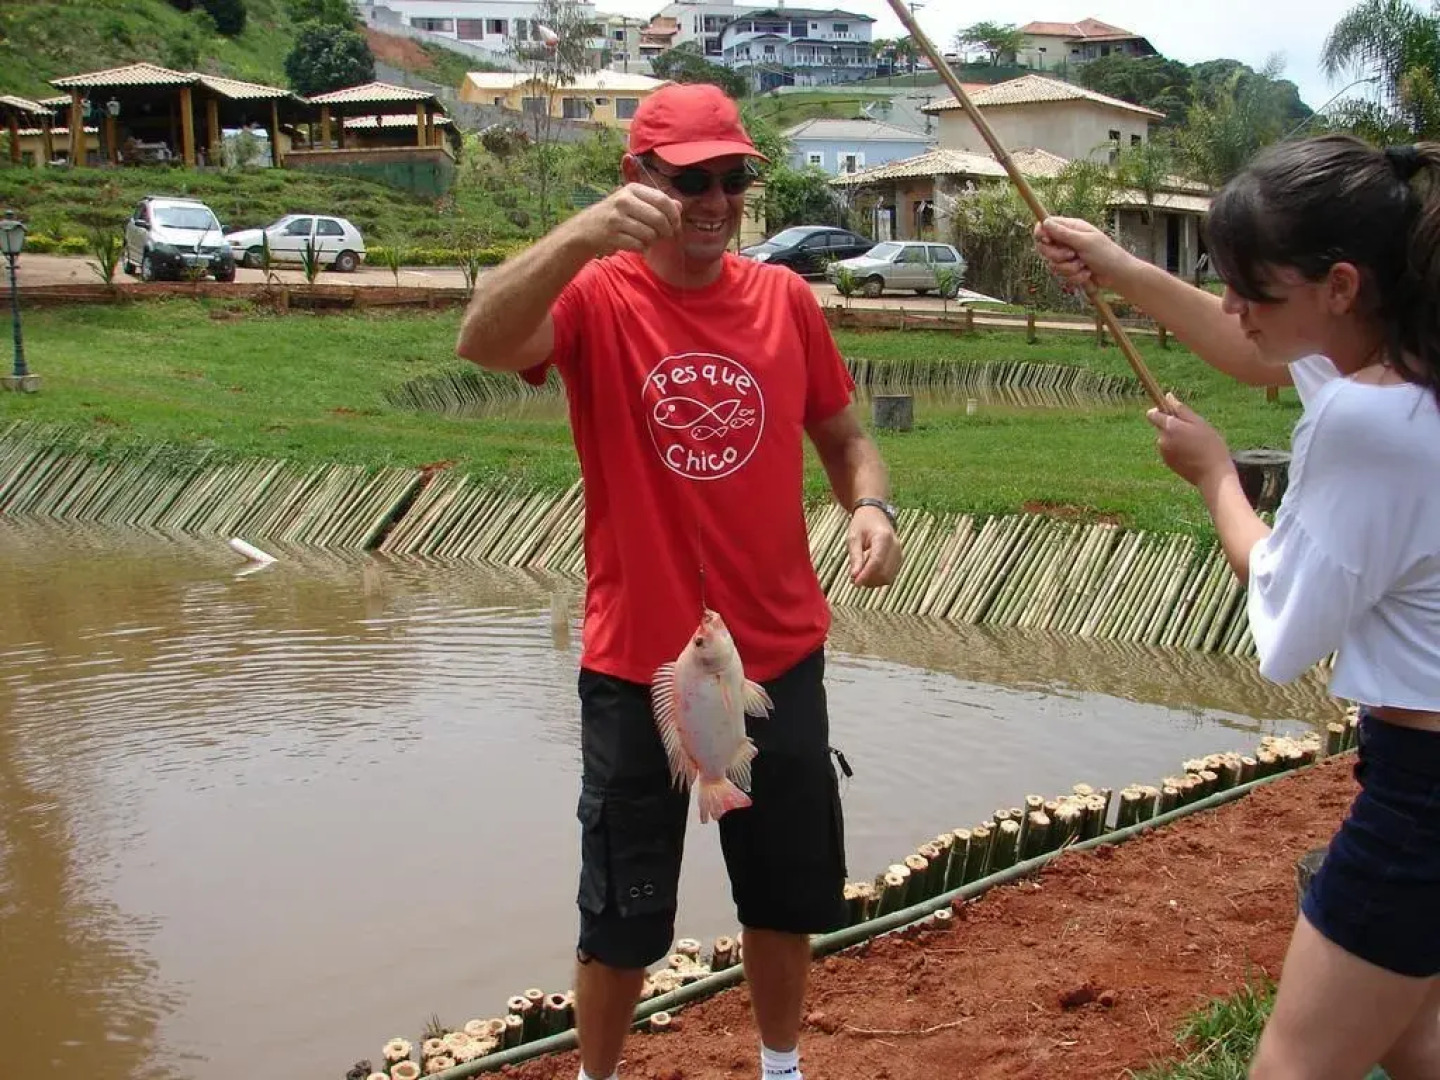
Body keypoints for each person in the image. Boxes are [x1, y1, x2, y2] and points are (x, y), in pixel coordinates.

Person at [455, 82, 902, 1080]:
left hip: (779, 658)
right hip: (637, 668)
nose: (715, 199)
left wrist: (871, 505)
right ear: (638, 180)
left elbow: (845, 437)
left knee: (784, 898)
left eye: (733, 176)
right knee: (620, 918)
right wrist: (583, 235)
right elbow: (483, 338)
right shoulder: (594, 298)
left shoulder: (785, 302)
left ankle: (781, 1067)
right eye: (689, 178)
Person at [1035, 133, 1440, 1078]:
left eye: (1251, 287)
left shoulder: (1369, 419)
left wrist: (1217, 476)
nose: (1231, 309)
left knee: (1293, 1066)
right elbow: (1265, 350)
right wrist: (1122, 267)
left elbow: (1282, 628)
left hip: (1423, 792)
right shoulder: (1404, 364)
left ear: (1340, 285)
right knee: (1417, 1035)